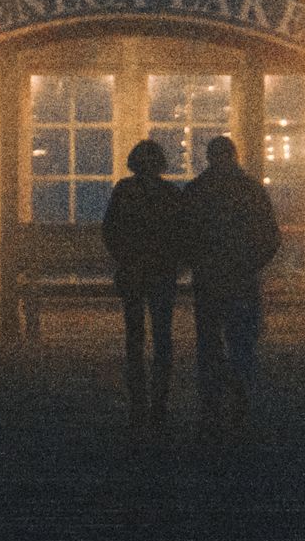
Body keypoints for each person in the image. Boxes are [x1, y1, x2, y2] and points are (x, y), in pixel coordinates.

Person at [180, 133, 282, 433]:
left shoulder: (198, 190)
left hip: (209, 278)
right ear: (234, 156)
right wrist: (253, 264)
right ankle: (240, 394)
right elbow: (270, 236)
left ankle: (211, 399)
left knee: (209, 340)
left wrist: (195, 261)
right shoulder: (251, 190)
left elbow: (184, 234)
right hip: (242, 277)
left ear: (209, 157)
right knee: (242, 340)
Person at [99, 137, 185, 432]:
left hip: (134, 270)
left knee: (134, 333)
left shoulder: (124, 190)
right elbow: (179, 234)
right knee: (162, 333)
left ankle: (138, 392)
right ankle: (159, 394)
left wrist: (125, 257)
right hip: (161, 271)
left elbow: (110, 229)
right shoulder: (171, 193)